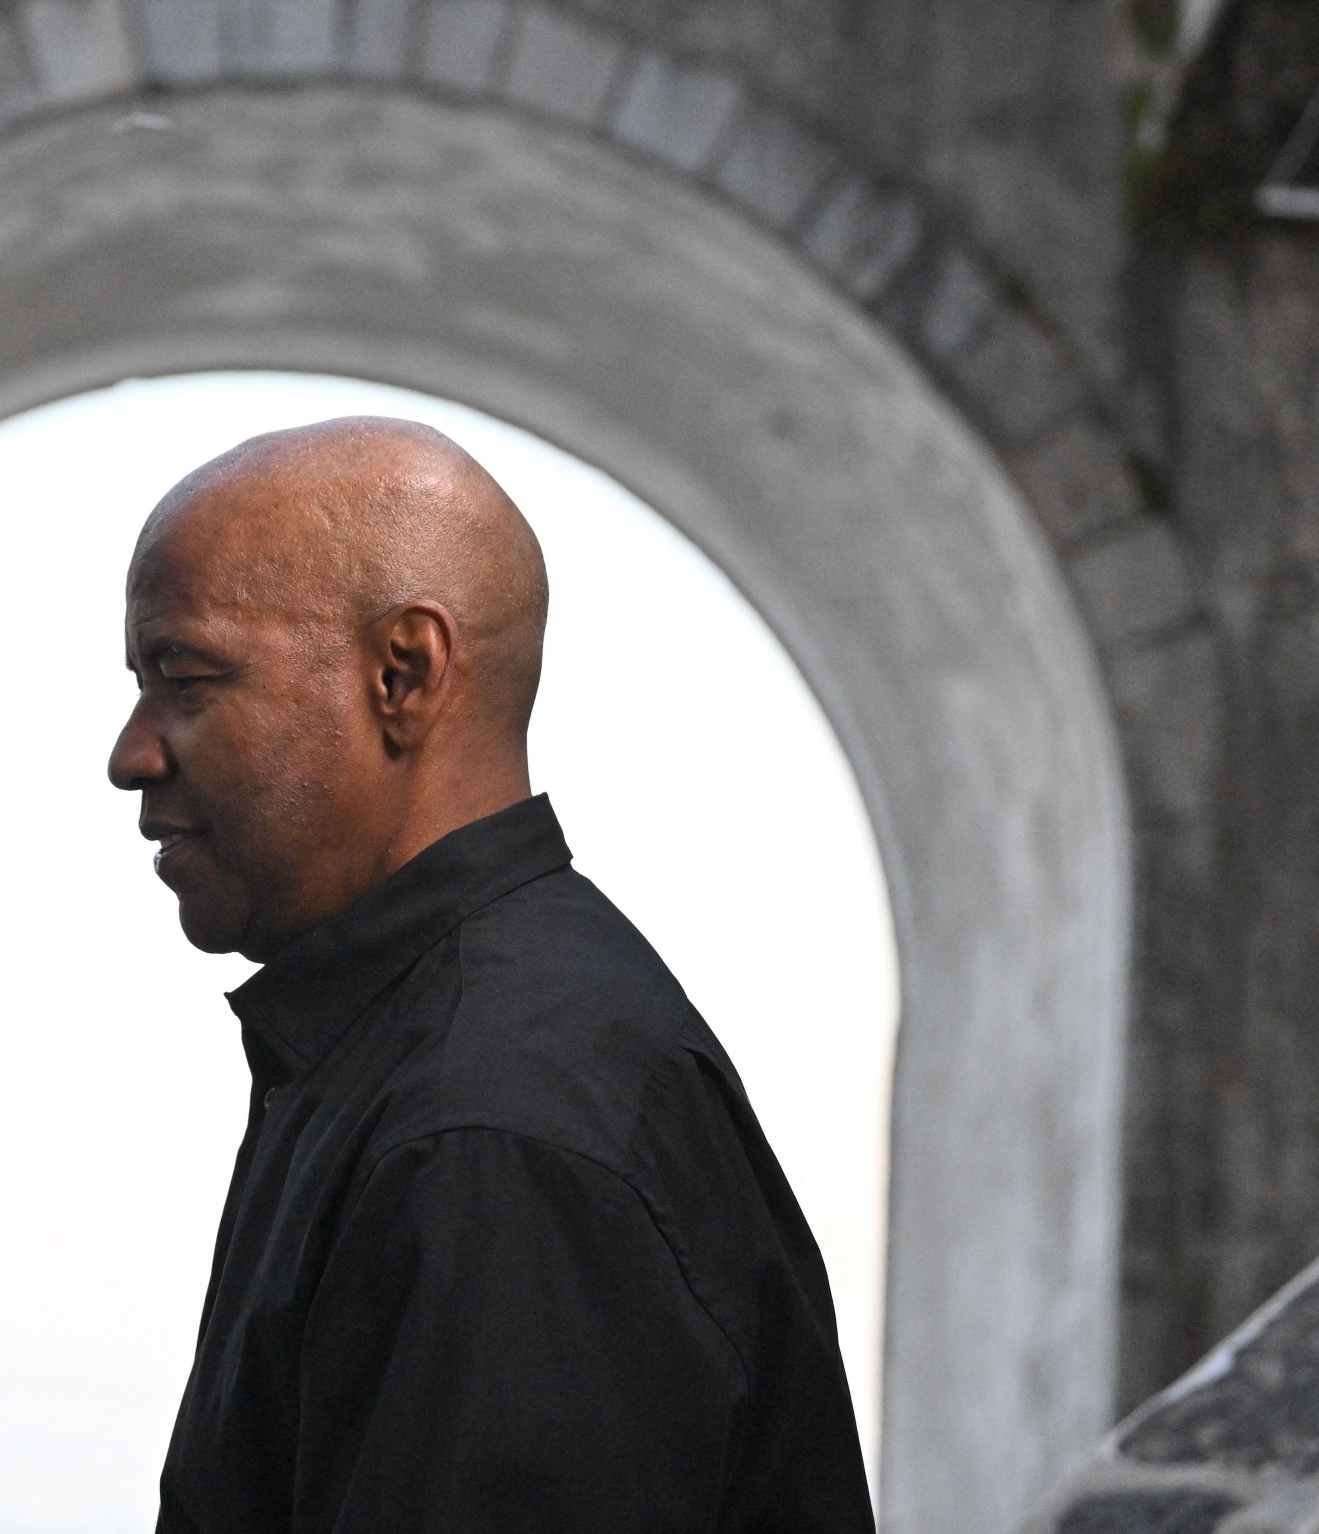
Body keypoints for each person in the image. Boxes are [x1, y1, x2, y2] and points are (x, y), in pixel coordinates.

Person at [108, 417, 875, 1534]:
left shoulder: (495, 1126)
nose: (131, 751)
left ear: (402, 675)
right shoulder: (427, 1049)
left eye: (185, 676)